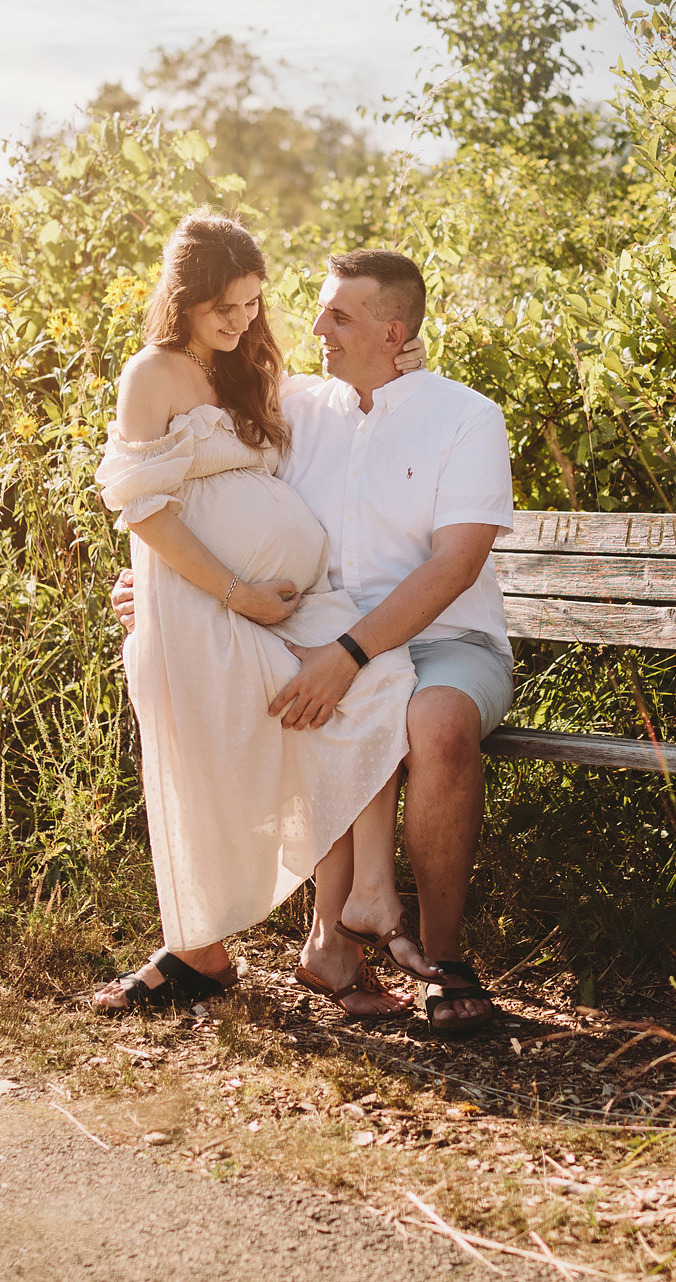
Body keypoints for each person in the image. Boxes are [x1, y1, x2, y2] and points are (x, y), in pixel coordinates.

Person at [117, 247, 514, 1034]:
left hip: (446, 641)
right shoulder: (301, 408)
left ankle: (442, 959)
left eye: (338, 314)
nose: (314, 326)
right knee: (287, 697)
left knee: (428, 720)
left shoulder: (464, 415)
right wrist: (153, 584)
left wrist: (351, 653)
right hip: (307, 630)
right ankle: (295, 936)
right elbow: (201, 480)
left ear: (393, 329)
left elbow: (455, 565)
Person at [87, 213, 422, 1016]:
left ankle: (357, 902)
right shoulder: (153, 373)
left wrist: (407, 363)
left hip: (281, 608)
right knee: (300, 720)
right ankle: (212, 942)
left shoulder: (255, 370)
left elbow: (345, 403)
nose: (242, 322)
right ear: (185, 299)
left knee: (379, 675)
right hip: (205, 607)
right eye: (223, 308)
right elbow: (144, 510)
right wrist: (235, 590)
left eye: (252, 304)